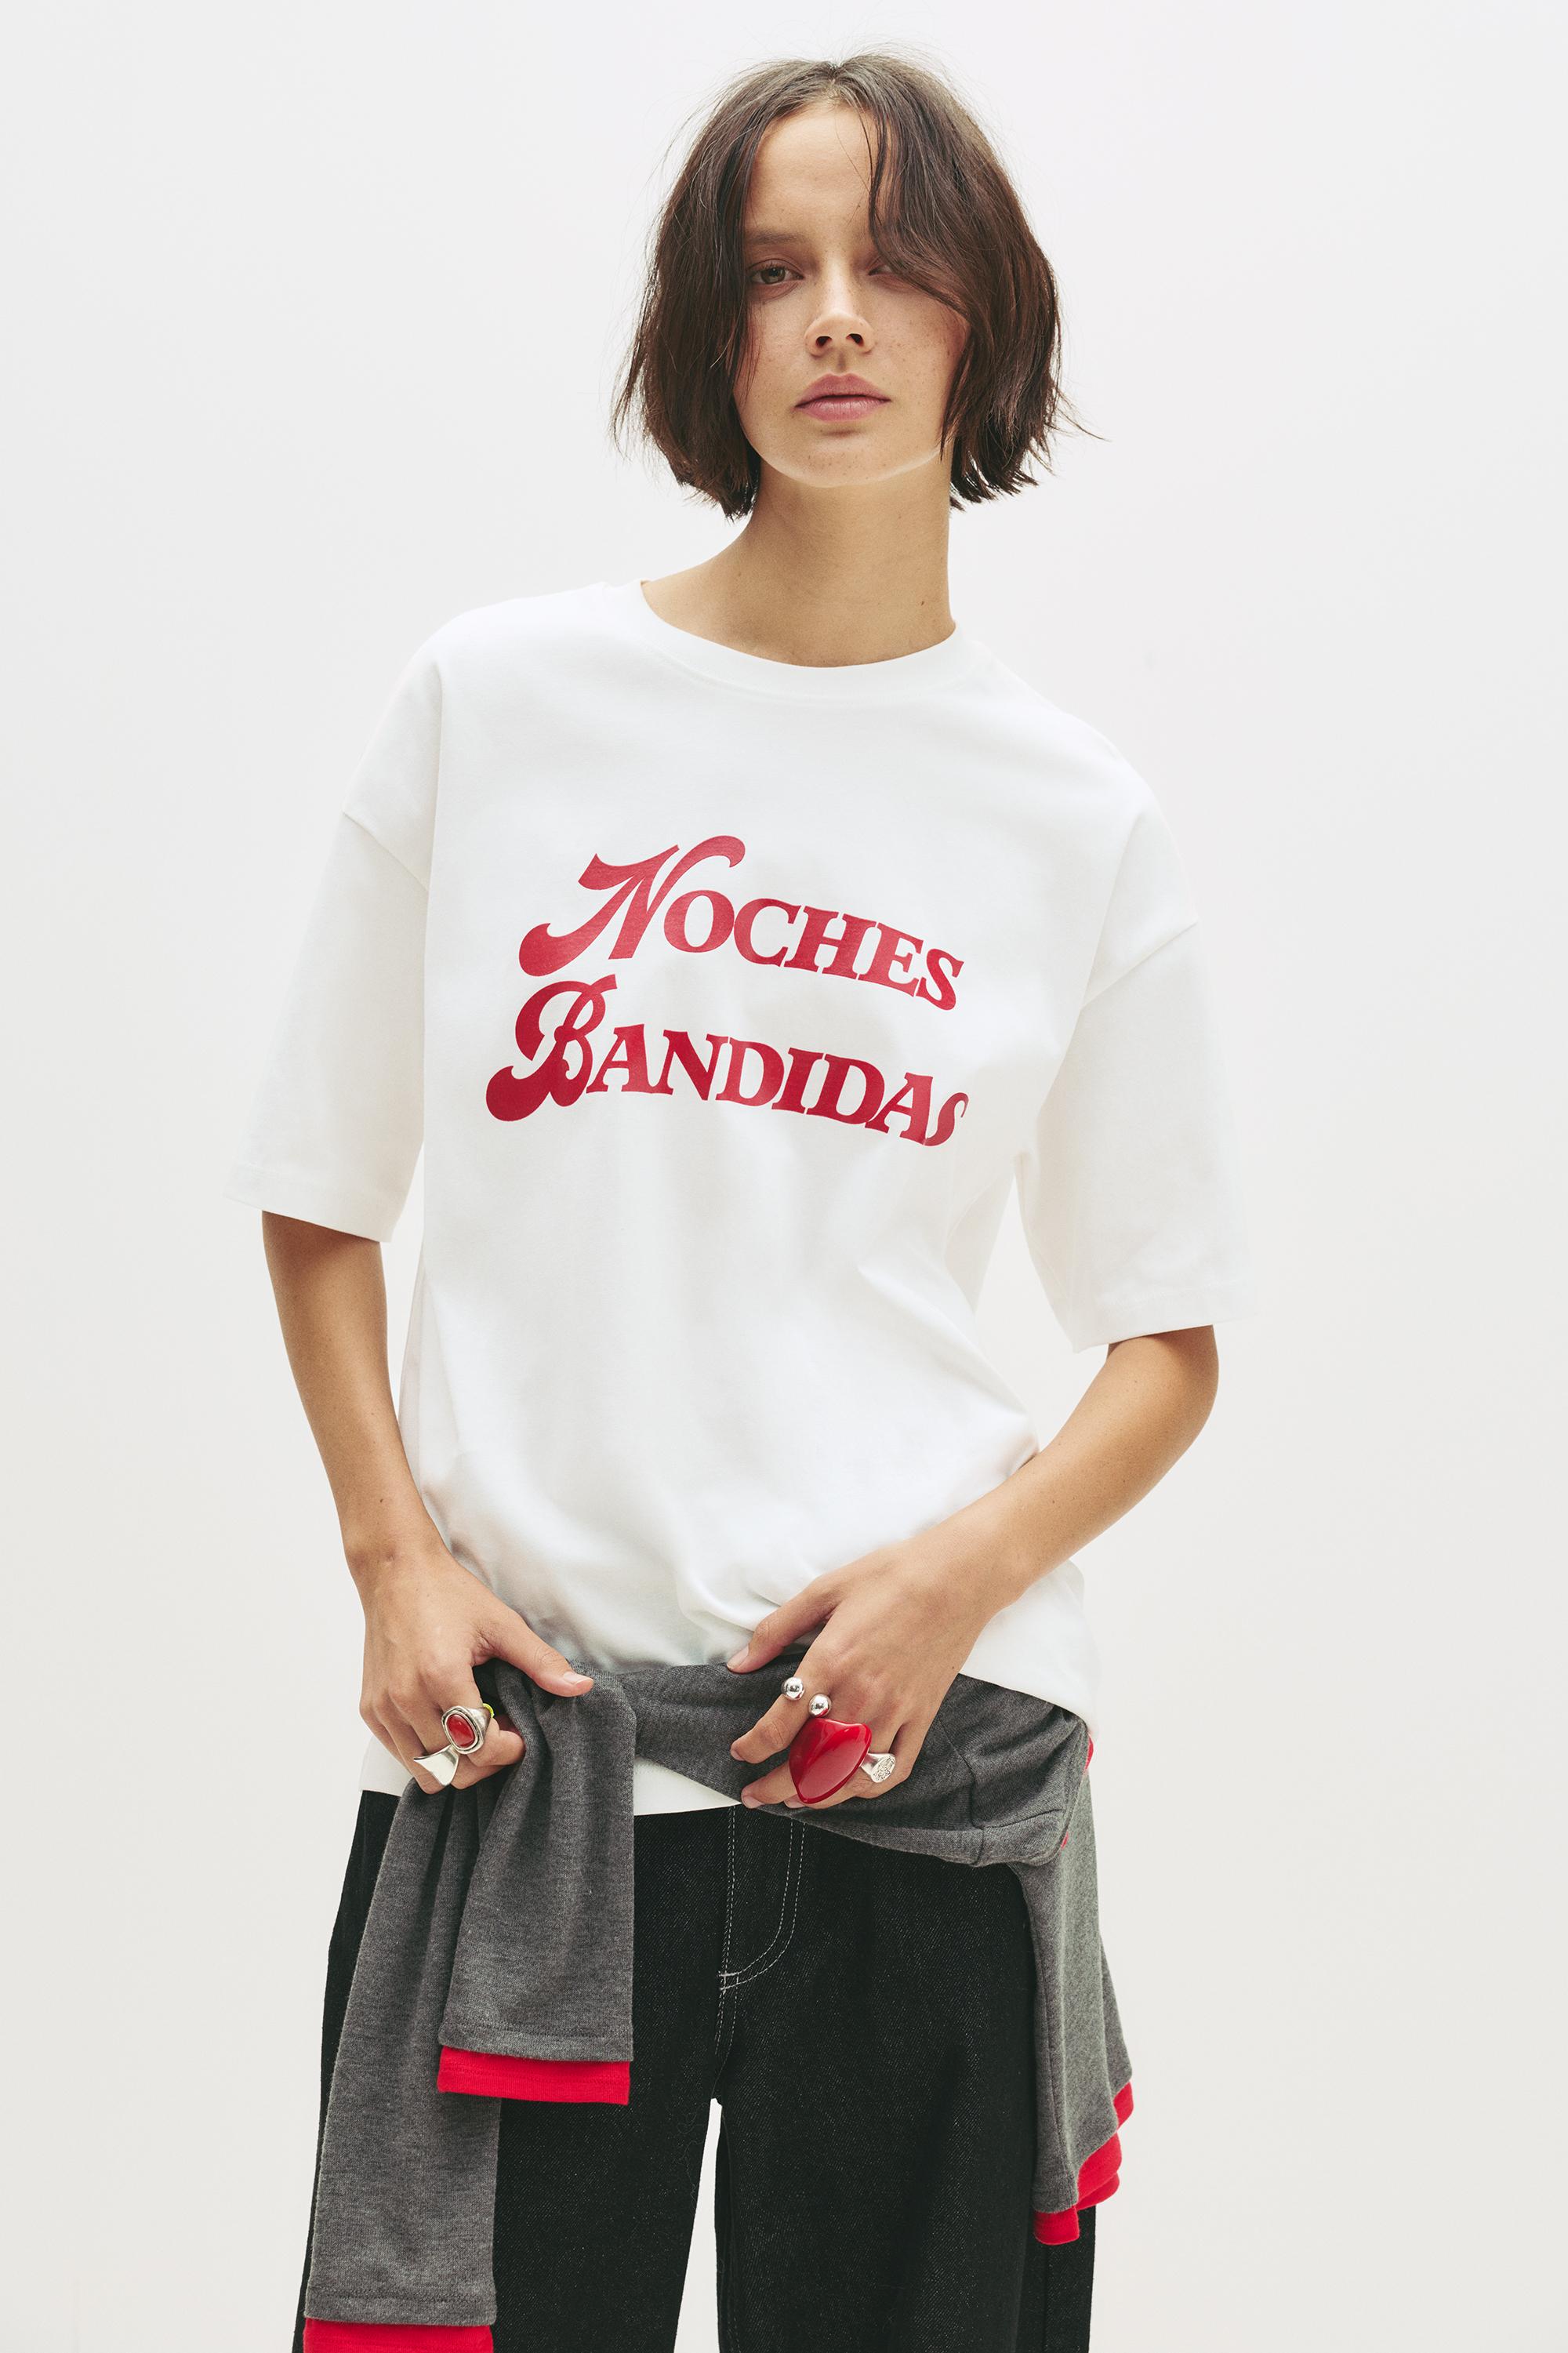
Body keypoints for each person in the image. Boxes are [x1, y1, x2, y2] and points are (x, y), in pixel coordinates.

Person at [227, 49, 1255, 2353]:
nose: (837, 318)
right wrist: (392, 1558)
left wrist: (951, 1583)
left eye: (896, 267)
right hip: (537, 1765)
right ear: (711, 331)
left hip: (920, 1765)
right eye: (777, 271)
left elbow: (1168, 1336)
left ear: (987, 320)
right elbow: (319, 1183)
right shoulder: (503, 703)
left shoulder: (1069, 814)